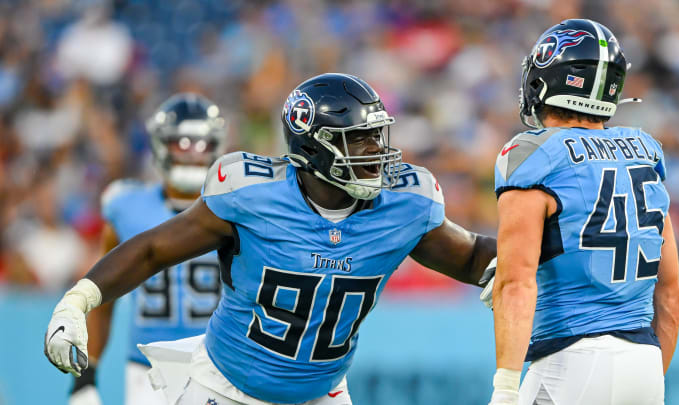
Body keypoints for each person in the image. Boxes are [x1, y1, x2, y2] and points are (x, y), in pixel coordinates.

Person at [45, 73, 497, 405]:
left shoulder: (405, 205)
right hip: (223, 389)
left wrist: (544, 252)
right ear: (314, 148)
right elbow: (151, 249)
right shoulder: (251, 197)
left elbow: (474, 257)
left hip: (323, 392)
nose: (376, 153)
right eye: (358, 140)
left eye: (377, 137)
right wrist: (78, 300)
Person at [488, 19, 679, 405]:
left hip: (570, 361)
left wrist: (505, 389)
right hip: (644, 364)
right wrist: (641, 379)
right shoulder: (644, 152)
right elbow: (671, 294)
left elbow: (516, 284)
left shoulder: (534, 154)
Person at [67, 93, 228, 404]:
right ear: (160, 145)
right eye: (181, 143)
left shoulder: (235, 207)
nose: (192, 154)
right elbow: (103, 295)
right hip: (146, 370)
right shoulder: (126, 205)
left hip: (218, 367)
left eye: (201, 143)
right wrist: (85, 377)